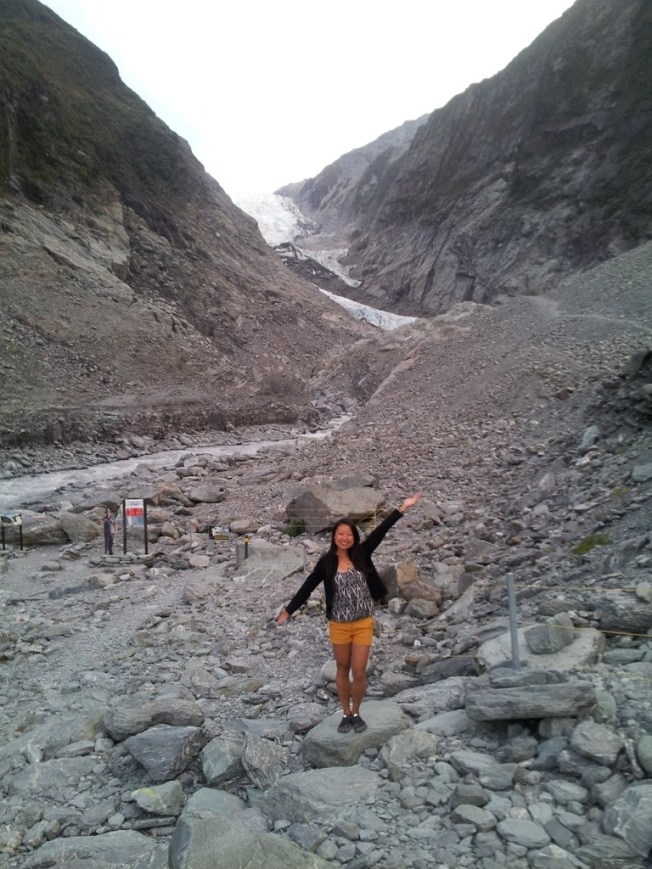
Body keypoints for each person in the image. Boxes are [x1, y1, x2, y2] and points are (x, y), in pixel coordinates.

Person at [277, 492, 421, 734]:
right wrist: (288, 610)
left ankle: (357, 711)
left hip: (364, 622)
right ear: (334, 537)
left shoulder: (362, 553)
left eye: (348, 535)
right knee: (342, 669)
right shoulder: (327, 562)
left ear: (354, 537)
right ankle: (346, 714)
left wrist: (402, 508)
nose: (344, 538)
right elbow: (308, 586)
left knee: (359, 670)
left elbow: (381, 530)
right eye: (340, 534)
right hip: (339, 624)